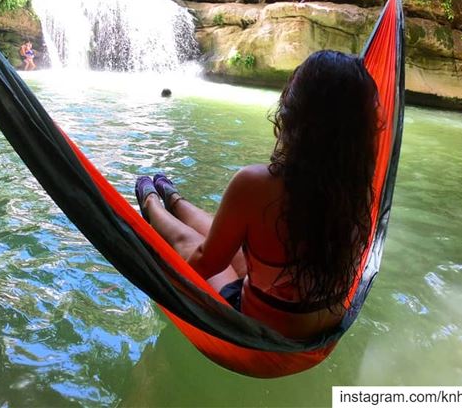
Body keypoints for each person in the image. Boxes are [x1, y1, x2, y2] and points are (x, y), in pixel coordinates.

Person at [134, 50, 380, 340]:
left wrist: (163, 282)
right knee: (231, 240)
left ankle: (151, 204)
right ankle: (174, 199)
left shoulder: (256, 184)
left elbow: (206, 262)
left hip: (259, 328)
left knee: (192, 245)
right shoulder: (360, 188)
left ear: (293, 113)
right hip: (321, 325)